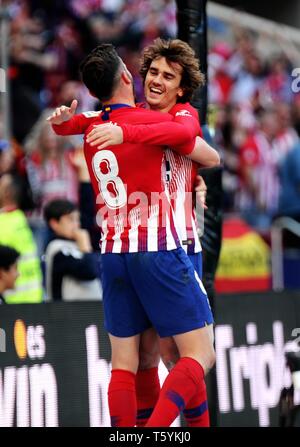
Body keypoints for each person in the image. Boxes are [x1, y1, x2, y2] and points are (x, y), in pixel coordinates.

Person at [48, 43, 215, 428]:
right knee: (185, 355)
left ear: (182, 87)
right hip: (161, 246)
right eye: (152, 72)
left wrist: (62, 122)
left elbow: (202, 149)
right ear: (130, 76)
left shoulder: (99, 122)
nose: (155, 80)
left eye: (167, 76)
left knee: (142, 360)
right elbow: (200, 146)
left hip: (121, 251)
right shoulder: (149, 119)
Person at [43, 199, 102, 301]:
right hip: (68, 313)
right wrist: (85, 246)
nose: (77, 224)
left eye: (77, 219)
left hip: (89, 311)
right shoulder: (56, 249)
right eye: (71, 219)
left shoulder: (77, 245)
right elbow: (89, 271)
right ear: (54, 223)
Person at [0, 173, 43, 304]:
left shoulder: (3, 223)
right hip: (34, 298)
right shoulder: (20, 219)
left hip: (11, 303)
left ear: (7, 193)